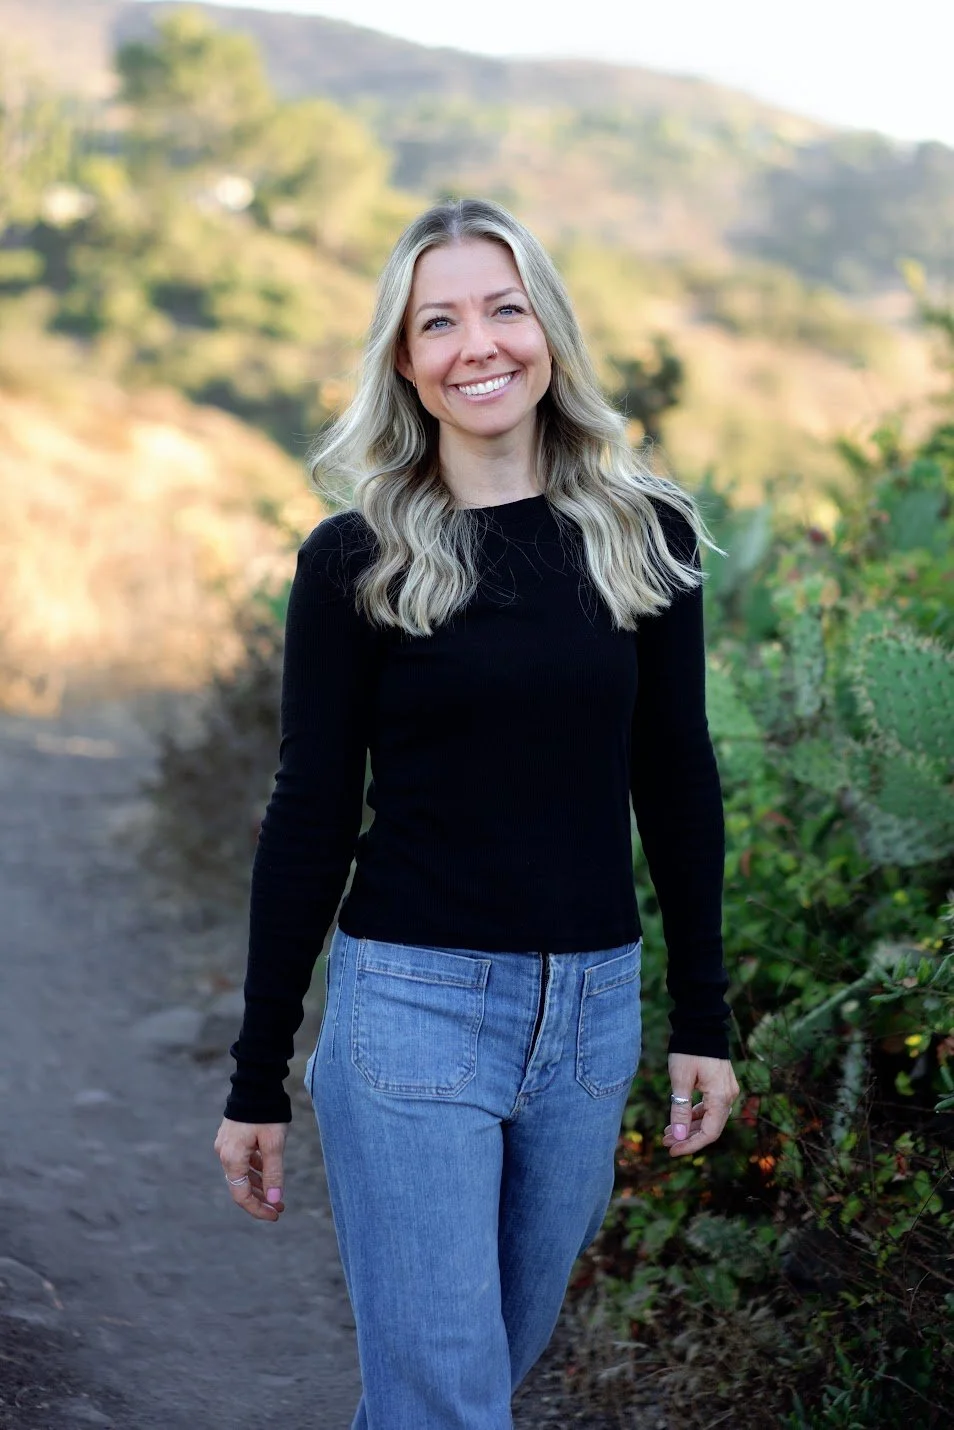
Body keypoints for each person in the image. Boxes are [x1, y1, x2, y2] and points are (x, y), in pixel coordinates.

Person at [214, 197, 740, 1430]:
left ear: (548, 329)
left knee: (467, 1378)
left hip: (591, 1017)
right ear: (405, 361)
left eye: (505, 308)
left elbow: (676, 775)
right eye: (437, 320)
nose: (478, 344)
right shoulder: (355, 560)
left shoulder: (642, 537)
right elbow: (308, 815)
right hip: (413, 1009)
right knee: (450, 1399)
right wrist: (257, 1075)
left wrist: (703, 1014)